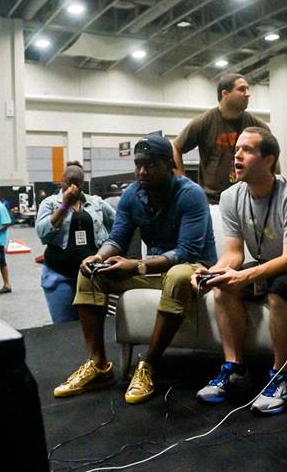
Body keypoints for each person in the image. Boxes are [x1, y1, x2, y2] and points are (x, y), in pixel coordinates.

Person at [54, 135, 217, 404]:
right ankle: (98, 365)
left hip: (194, 269)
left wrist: (138, 266)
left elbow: (186, 252)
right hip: (154, 270)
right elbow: (117, 238)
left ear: (169, 164)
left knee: (177, 275)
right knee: (91, 273)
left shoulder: (191, 194)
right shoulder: (132, 194)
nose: (142, 171)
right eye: (138, 164)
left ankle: (148, 366)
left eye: (150, 165)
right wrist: (99, 256)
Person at [195, 127, 287, 414]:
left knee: (279, 292)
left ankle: (283, 377)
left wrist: (244, 275)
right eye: (236, 150)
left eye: (247, 150)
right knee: (223, 288)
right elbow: (234, 253)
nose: (237, 156)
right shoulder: (231, 197)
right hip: (270, 262)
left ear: (268, 160)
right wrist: (213, 273)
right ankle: (234, 369)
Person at [172, 73, 271, 203]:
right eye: (241, 89)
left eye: (248, 89)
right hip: (212, 200)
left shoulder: (257, 125)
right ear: (225, 94)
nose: (247, 94)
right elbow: (175, 147)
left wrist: (271, 191)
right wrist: (182, 185)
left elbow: (272, 157)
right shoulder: (205, 121)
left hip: (247, 199)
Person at [36, 162, 115, 324]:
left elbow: (119, 224)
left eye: (77, 183)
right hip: (60, 275)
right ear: (61, 181)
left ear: (82, 183)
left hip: (93, 277)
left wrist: (109, 248)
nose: (72, 187)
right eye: (68, 182)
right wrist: (64, 206)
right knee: (65, 325)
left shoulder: (96, 203)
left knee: (94, 324)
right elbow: (42, 233)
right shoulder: (50, 203)